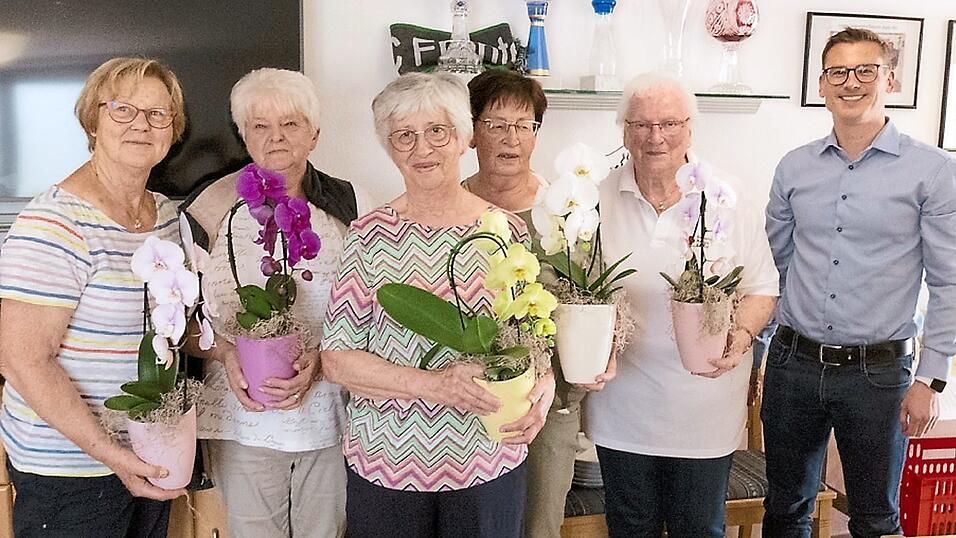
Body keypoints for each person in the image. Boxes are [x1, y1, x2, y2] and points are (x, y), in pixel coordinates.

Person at [321, 71, 556, 538]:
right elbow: (337, 361)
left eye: (437, 132)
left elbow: (529, 338)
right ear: (389, 148)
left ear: (464, 138)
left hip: (488, 454)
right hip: (388, 460)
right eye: (404, 136)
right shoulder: (368, 236)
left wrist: (543, 387)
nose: (422, 149)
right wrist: (435, 385)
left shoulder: (506, 231)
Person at [763, 27, 956, 538]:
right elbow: (774, 267)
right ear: (822, 85)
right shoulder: (794, 167)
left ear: (889, 79)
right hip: (792, 364)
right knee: (784, 510)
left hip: (878, 374)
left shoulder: (932, 172)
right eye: (838, 72)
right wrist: (760, 347)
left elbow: (950, 283)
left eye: (865, 70)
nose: (851, 82)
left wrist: (929, 379)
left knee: (874, 517)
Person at [584, 73, 779, 538]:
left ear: (690, 128)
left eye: (670, 123)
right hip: (621, 406)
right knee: (630, 526)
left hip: (704, 408)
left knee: (699, 528)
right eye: (642, 124)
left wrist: (742, 334)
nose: (656, 137)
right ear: (624, 129)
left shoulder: (727, 197)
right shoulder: (595, 198)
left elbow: (762, 287)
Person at [0, 57, 187, 536]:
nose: (140, 125)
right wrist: (111, 455)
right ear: (93, 120)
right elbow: (21, 359)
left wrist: (230, 352)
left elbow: (168, 327)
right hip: (70, 471)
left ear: (172, 131)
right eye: (122, 109)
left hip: (148, 452)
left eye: (157, 114)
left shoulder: (165, 216)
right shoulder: (55, 223)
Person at [181, 68, 366, 538]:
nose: (276, 137)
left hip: (331, 418)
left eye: (291, 124)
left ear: (315, 133)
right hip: (242, 422)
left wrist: (324, 363)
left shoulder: (352, 205)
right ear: (243, 136)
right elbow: (179, 324)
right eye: (260, 125)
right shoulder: (208, 210)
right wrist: (226, 352)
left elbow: (374, 312)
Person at [463, 69, 614, 538]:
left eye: (524, 125)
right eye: (496, 124)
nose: (511, 139)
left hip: (546, 409)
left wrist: (605, 351)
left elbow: (596, 299)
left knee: (536, 527)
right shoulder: (451, 206)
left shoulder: (567, 213)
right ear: (470, 131)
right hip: (463, 401)